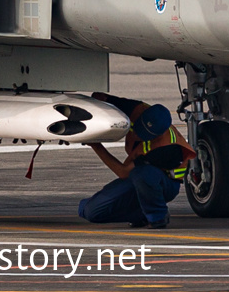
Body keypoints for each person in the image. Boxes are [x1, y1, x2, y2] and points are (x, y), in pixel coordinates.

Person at [78, 93, 193, 228]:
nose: (136, 134)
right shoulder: (135, 109)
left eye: (144, 134)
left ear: (158, 134)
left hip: (163, 184)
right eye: (139, 128)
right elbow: (99, 96)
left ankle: (158, 216)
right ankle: (141, 215)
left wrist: (96, 145)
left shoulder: (168, 149)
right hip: (137, 177)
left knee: (143, 174)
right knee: (91, 212)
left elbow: (123, 172)